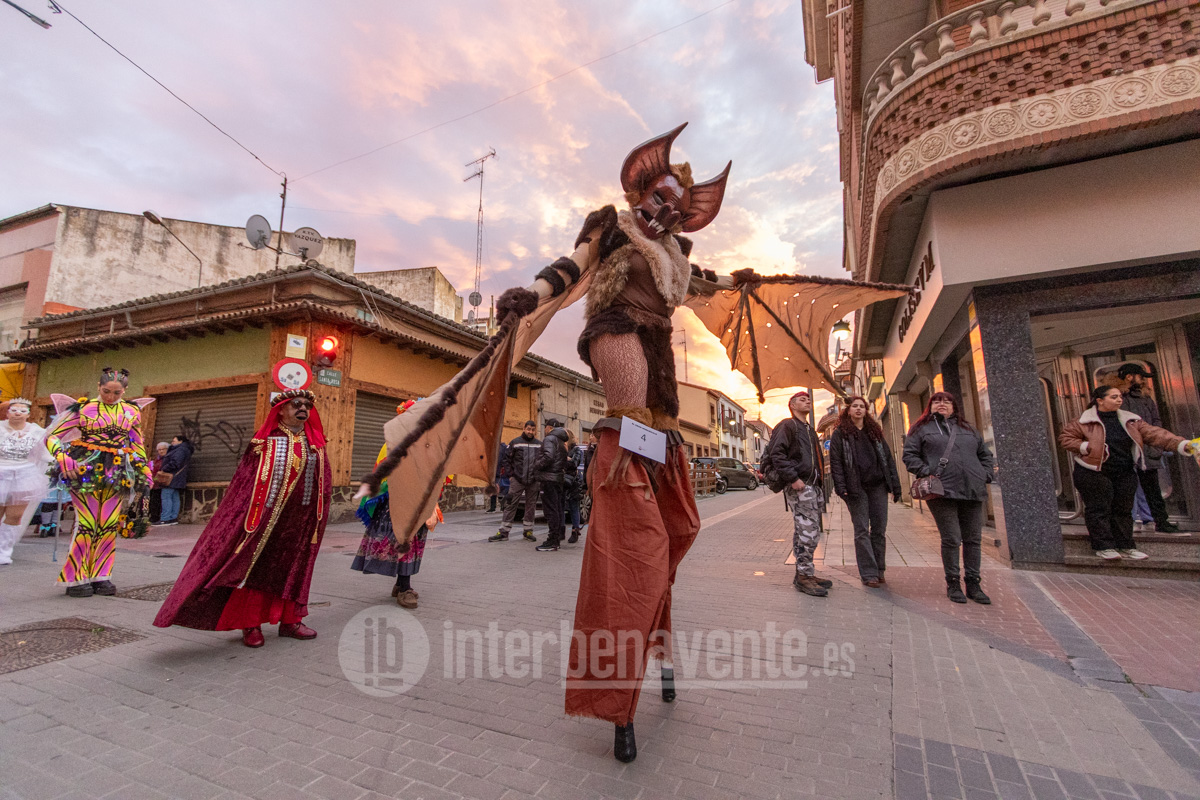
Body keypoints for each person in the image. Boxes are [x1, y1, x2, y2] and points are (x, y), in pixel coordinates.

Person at [154, 390, 331, 648]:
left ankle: (291, 620)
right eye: (295, 404)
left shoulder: (315, 444)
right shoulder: (264, 443)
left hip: (300, 521)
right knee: (253, 568)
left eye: (306, 405)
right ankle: (251, 624)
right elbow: (243, 485)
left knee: (295, 568)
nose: (302, 408)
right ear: (281, 409)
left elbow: (322, 485)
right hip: (262, 521)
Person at [45, 368, 153, 597]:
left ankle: (101, 576)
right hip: (86, 466)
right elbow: (51, 436)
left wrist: (144, 467)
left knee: (108, 523)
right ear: (98, 387)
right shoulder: (84, 408)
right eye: (106, 391)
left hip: (119, 468)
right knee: (87, 523)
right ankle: (75, 578)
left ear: (125, 391)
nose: (110, 396)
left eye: (116, 392)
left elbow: (136, 442)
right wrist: (62, 456)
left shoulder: (132, 411)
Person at [1058, 385, 1193, 562]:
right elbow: (1065, 438)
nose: (1119, 400)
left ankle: (1126, 545)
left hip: (1124, 470)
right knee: (1099, 509)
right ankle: (1104, 546)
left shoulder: (1130, 420)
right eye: (1113, 397)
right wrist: (1085, 447)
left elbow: (1155, 434)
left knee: (1123, 509)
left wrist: (1181, 444)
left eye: (1119, 396)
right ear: (1100, 400)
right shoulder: (1084, 421)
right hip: (1093, 471)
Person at [902, 392, 995, 605]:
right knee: (952, 538)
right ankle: (953, 583)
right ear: (930, 406)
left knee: (973, 539)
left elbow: (985, 454)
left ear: (954, 406)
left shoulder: (968, 429)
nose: (942, 404)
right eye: (937, 401)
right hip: (941, 491)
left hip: (972, 489)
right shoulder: (920, 429)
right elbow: (909, 455)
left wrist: (985, 474)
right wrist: (926, 471)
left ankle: (973, 583)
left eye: (946, 401)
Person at [352, 400, 446, 609]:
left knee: (412, 541)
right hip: (396, 501)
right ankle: (404, 588)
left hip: (420, 500)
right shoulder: (395, 442)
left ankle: (402, 583)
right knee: (404, 541)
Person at [762, 391, 830, 597]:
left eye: (808, 399)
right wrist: (793, 479)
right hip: (800, 486)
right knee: (809, 531)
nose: (807, 401)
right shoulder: (787, 426)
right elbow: (777, 454)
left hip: (812, 486)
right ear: (791, 405)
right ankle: (803, 577)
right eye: (802, 399)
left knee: (807, 531)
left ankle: (805, 572)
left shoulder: (808, 430)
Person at [828, 396, 901, 588]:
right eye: (855, 406)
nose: (859, 409)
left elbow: (888, 459)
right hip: (856, 488)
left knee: (879, 530)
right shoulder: (840, 434)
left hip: (878, 486)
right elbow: (836, 463)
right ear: (848, 410)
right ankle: (868, 574)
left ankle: (879, 570)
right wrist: (841, 487)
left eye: (862, 407)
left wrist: (895, 485)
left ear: (866, 411)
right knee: (861, 530)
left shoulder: (874, 433)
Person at [1118, 363, 1181, 533]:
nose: (1143, 380)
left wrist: (1156, 443)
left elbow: (1156, 421)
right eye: (1140, 376)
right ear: (1129, 376)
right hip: (1128, 451)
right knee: (1126, 489)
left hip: (1149, 449)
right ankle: (1126, 523)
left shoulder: (1146, 398)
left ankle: (1161, 521)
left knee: (1153, 489)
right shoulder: (1119, 398)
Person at [0, 398, 49, 565]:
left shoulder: (37, 432)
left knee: (15, 516)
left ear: (28, 414)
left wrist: (58, 460)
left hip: (24, 475)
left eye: (22, 411)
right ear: (7, 413)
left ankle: (4, 550)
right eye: (14, 410)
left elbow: (42, 452)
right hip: (1, 473)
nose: (17, 413)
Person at [489, 420, 541, 543]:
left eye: (533, 430)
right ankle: (503, 532)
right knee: (511, 504)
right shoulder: (515, 443)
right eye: (528, 429)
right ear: (524, 428)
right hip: (517, 479)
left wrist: (538, 475)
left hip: (534, 481)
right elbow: (506, 459)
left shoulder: (539, 444)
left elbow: (542, 460)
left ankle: (528, 531)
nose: (530, 432)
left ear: (535, 430)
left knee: (531, 506)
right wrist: (511, 475)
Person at [534, 425, 570, 552]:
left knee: (550, 511)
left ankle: (552, 540)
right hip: (557, 479)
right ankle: (556, 538)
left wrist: (536, 465)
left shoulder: (549, 439)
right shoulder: (561, 441)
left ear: (548, 428)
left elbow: (548, 457)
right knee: (556, 509)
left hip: (548, 479)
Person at [153, 435, 194, 526]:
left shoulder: (180, 450)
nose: (172, 443)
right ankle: (173, 518)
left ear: (180, 441)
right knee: (174, 497)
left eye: (174, 441)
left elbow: (175, 463)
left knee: (166, 497)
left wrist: (164, 468)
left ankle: (165, 518)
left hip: (172, 477)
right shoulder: (184, 449)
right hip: (177, 478)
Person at [564, 430, 584, 544]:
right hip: (561, 481)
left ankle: (575, 531)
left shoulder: (576, 449)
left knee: (573, 507)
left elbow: (574, 463)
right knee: (561, 507)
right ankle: (560, 531)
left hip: (573, 483)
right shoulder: (560, 447)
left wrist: (566, 459)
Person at [149, 442, 169, 524]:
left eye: (163, 449)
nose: (161, 451)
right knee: (153, 501)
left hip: (161, 483)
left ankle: (156, 517)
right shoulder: (156, 459)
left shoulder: (167, 459)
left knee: (158, 501)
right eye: (159, 450)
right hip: (154, 483)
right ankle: (153, 516)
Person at [487, 441, 509, 512]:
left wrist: (503, 467)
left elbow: (504, 460)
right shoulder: (494, 447)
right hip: (495, 471)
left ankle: (502, 506)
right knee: (494, 488)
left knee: (502, 489)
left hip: (501, 472)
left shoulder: (503, 448)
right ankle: (494, 507)